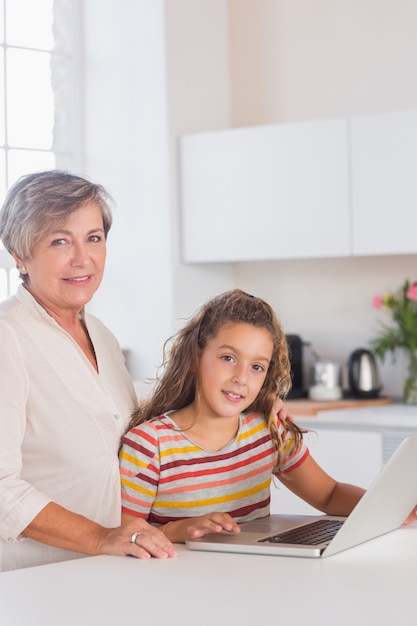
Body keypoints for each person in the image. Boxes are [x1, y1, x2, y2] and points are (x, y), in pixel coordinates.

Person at [0, 170, 177, 571]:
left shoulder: (100, 335)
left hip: (105, 572)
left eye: (93, 238)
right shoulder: (6, 337)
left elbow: (123, 431)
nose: (83, 259)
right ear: (19, 254)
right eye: (60, 240)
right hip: (33, 582)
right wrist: (99, 537)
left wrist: (246, 407)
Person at [119, 289, 366, 543]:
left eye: (257, 367)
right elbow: (126, 536)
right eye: (228, 358)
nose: (241, 378)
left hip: (252, 577)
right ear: (195, 356)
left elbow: (329, 495)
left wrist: (392, 508)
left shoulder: (268, 430)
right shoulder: (149, 445)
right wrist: (178, 530)